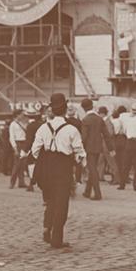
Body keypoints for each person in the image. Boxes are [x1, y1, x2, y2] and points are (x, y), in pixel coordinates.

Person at [31, 93, 86, 249]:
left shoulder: (43, 128)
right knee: (61, 202)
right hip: (63, 167)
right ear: (65, 109)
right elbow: (80, 153)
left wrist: (46, 158)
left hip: (46, 167)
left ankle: (47, 227)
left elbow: (35, 151)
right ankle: (57, 239)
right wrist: (79, 164)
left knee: (50, 200)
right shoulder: (71, 129)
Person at [80, 98, 114, 200]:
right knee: (93, 168)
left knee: (92, 169)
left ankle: (97, 194)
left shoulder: (85, 120)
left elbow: (84, 137)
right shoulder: (99, 119)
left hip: (89, 148)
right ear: (92, 106)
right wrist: (111, 148)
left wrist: (80, 149)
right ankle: (87, 191)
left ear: (83, 108)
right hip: (98, 148)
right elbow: (106, 135)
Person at [118, 102, 136, 191]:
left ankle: (122, 184)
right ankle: (135, 185)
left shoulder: (127, 121)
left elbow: (124, 131)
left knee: (126, 164)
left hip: (129, 142)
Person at [96, 106, 118, 184]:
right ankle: (100, 176)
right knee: (100, 160)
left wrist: (101, 135)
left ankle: (116, 178)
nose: (99, 115)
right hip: (103, 143)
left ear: (103, 114)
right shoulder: (104, 121)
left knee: (111, 161)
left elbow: (110, 133)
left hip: (107, 144)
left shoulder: (107, 122)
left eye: (99, 113)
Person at [24, 104, 43, 192]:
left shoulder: (30, 126)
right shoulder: (43, 124)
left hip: (33, 148)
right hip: (43, 148)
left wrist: (25, 149)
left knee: (31, 164)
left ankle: (31, 183)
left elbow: (29, 139)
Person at [9, 110, 29, 189]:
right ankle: (12, 182)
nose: (23, 116)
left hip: (24, 143)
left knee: (23, 164)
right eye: (21, 114)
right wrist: (15, 148)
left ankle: (21, 182)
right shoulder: (13, 124)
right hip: (18, 143)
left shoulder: (24, 123)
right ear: (17, 115)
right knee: (17, 164)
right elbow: (11, 137)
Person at [111, 106, 127, 185]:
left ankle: (116, 178)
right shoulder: (122, 121)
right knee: (122, 160)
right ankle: (124, 177)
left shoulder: (113, 122)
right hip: (123, 139)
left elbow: (113, 132)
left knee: (115, 160)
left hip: (116, 139)